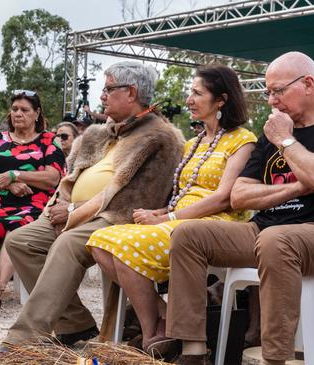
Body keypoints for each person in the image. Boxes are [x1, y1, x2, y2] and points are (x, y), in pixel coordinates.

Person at [0, 61, 185, 363]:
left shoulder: (161, 137)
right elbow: (68, 178)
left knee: (67, 244)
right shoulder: (100, 133)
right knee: (21, 240)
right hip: (77, 213)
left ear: (132, 93)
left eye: (109, 88)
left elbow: (137, 198)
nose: (102, 95)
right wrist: (60, 206)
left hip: (117, 218)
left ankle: (23, 340)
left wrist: (74, 213)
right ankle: (75, 325)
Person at [86, 64, 256, 360]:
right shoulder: (193, 144)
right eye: (190, 92)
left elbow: (223, 198)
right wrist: (159, 212)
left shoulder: (243, 141)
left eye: (197, 93)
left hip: (214, 224)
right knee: (101, 242)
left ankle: (154, 334)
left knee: (124, 247)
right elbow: (182, 194)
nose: (189, 99)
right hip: (178, 218)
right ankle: (161, 321)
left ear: (221, 101)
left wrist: (169, 218)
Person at [166, 51, 314, 365]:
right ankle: (193, 352)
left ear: (308, 84)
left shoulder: (281, 134)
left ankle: (275, 358)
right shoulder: (271, 134)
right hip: (262, 229)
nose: (271, 100)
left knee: (276, 241)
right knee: (187, 235)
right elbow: (239, 195)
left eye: (278, 91)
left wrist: (286, 142)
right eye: (268, 92)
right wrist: (297, 186)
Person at [0, 90, 66, 316]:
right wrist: (7, 184)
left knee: (20, 224)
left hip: (34, 201)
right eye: (14, 109)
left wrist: (15, 174)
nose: (18, 114)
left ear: (37, 113)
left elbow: (52, 177)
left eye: (24, 110)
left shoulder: (50, 141)